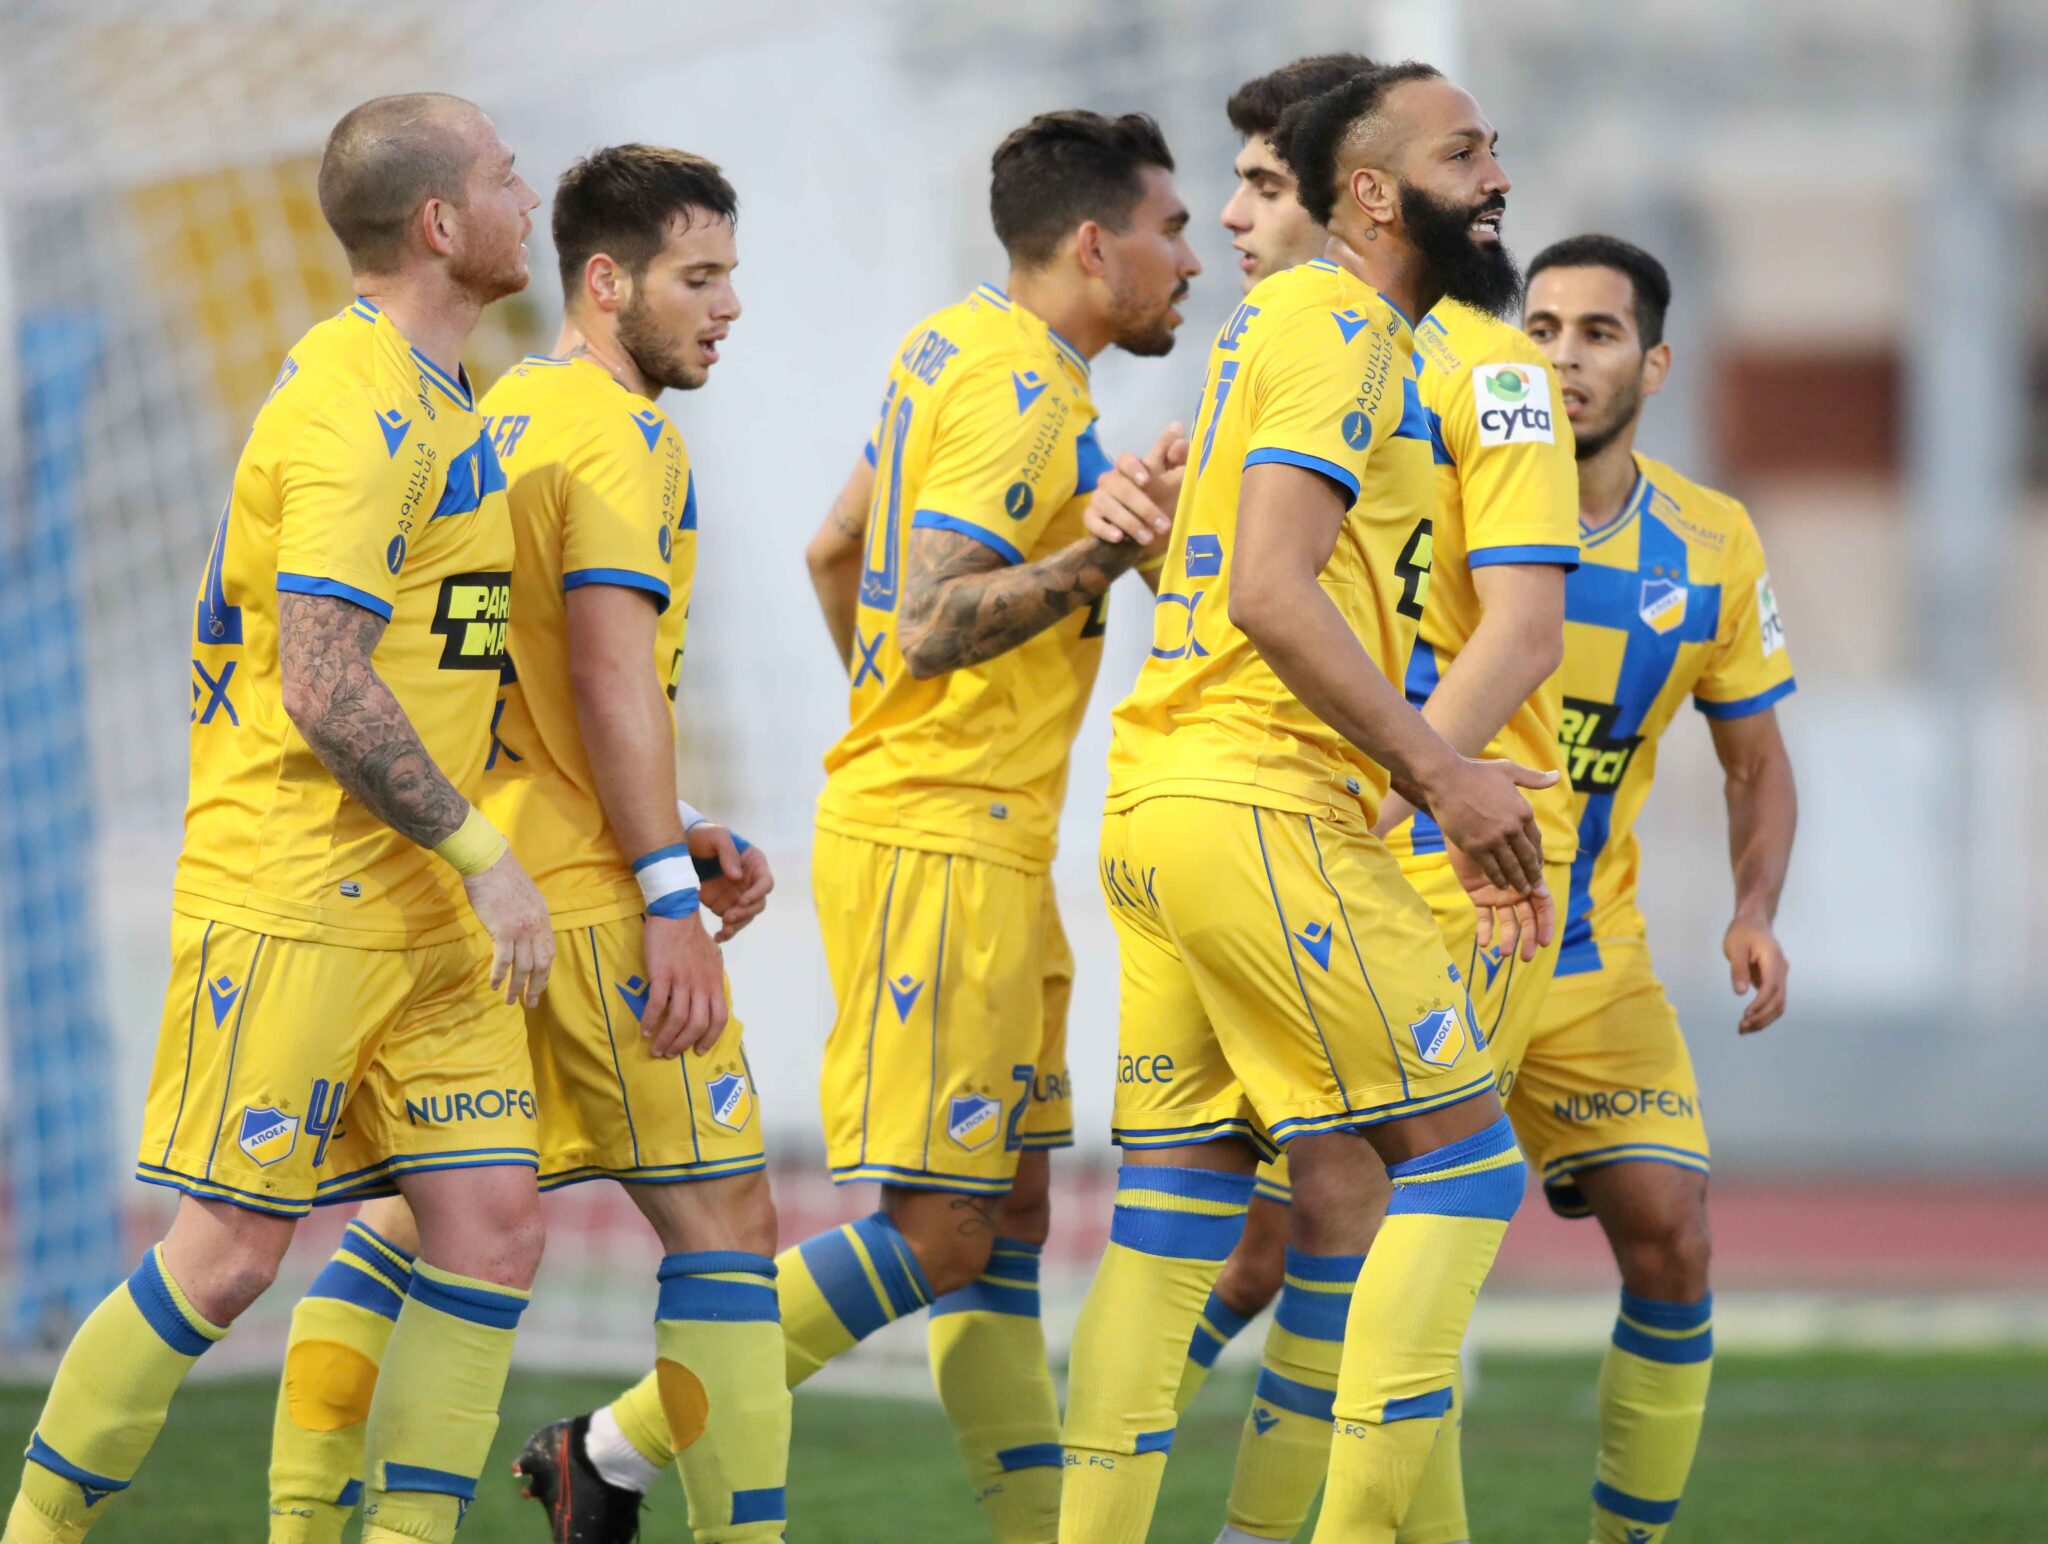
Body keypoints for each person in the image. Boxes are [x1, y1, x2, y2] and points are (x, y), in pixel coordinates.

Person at [532, 109, 1199, 1544]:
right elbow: (933, 614)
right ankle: (609, 1446)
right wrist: (1101, 559)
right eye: (1173, 228)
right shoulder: (1024, 395)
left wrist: (894, 726)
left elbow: (837, 550)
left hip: (969, 832)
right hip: (943, 846)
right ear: (1096, 246)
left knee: (1007, 1222)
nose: (1191, 260)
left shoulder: (951, 342)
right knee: (941, 1231)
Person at [4, 95, 551, 1544]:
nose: (528, 195)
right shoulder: (356, 412)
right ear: (441, 222)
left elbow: (450, 656)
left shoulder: (449, 397)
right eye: (505, 177)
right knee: (231, 1257)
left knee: (495, 1228)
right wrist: (488, 858)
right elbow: (321, 683)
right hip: (302, 893)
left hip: (429, 908)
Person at [1056, 64, 1556, 1544]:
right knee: (1459, 1169)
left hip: (1178, 800)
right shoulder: (1334, 330)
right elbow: (1273, 593)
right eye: (1466, 153)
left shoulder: (1307, 339)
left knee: (1193, 1223)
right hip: (1278, 802)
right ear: (1377, 193)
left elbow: (1461, 608)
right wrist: (1442, 782)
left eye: (1260, 184)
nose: (1497, 175)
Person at [262, 146, 786, 1544]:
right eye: (699, 277)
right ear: (605, 281)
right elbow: (609, 678)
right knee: (729, 1227)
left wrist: (679, 823)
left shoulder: (501, 413)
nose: (729, 306)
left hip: (495, 882)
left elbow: (520, 680)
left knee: (423, 1219)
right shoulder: (621, 436)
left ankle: (309, 1519)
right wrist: (667, 886)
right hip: (595, 900)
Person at [1515, 234, 1796, 1544]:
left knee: (1674, 1234)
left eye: (1597, 333)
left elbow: (1757, 763)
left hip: (1587, 956)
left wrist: (1753, 908)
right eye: (1541, 330)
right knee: (1284, 1253)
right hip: (1422, 943)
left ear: (1656, 364)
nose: (1562, 359)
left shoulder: (1709, 542)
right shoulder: (1442, 501)